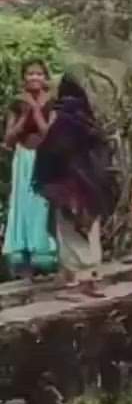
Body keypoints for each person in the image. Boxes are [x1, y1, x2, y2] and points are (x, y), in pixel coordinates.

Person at [33, 75, 114, 298]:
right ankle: (92, 281)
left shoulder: (62, 120)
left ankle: (79, 283)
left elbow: (51, 153)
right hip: (92, 186)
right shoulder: (88, 120)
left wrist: (49, 182)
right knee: (90, 230)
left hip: (67, 186)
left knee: (68, 232)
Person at [2, 59, 57, 277]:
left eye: (39, 74)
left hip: (44, 158)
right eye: (30, 74)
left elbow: (50, 134)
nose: (34, 78)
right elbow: (8, 138)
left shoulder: (53, 103)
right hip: (23, 158)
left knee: (42, 205)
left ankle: (43, 253)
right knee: (22, 204)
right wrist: (24, 116)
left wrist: (35, 110)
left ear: (45, 78)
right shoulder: (16, 102)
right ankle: (22, 255)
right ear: (24, 77)